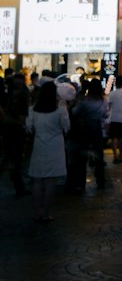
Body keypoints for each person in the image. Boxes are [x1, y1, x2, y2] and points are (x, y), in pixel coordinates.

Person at [26, 79, 69, 224]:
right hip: (55, 146)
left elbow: (28, 127)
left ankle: (37, 212)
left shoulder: (33, 109)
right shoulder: (60, 108)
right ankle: (46, 213)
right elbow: (66, 127)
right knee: (51, 181)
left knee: (37, 180)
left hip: (39, 145)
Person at [106, 74, 122, 164]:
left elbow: (109, 107)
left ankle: (115, 155)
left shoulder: (112, 94)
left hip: (114, 118)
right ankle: (120, 155)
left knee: (114, 138)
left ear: (115, 83)